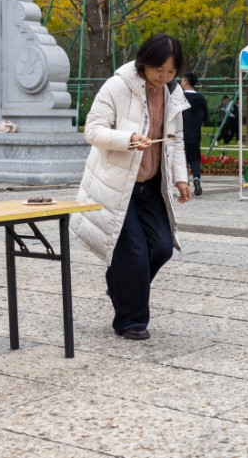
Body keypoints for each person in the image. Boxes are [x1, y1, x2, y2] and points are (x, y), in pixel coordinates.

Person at [73, 34, 192, 340]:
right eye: (158, 71)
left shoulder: (172, 94)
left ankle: (119, 283)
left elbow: (175, 143)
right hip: (117, 185)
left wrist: (181, 178)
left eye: (171, 72)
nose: (164, 78)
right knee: (135, 253)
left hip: (152, 186)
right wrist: (128, 139)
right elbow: (93, 130)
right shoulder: (117, 85)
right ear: (143, 64)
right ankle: (131, 321)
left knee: (163, 248)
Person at [180, 73, 208, 197]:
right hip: (195, 134)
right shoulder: (201, 99)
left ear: (185, 82)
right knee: (195, 158)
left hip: (181, 133)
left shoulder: (180, 97)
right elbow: (206, 117)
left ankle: (184, 185)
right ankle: (196, 178)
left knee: (181, 160)